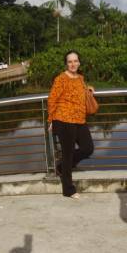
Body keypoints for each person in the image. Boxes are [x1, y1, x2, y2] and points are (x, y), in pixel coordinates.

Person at [47, 50, 95, 199]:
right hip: (64, 120)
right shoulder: (61, 79)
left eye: (75, 61)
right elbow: (52, 99)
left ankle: (62, 167)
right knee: (68, 154)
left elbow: (80, 91)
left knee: (88, 148)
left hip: (80, 119)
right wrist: (50, 120)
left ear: (79, 62)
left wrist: (89, 89)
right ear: (66, 64)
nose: (73, 64)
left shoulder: (80, 78)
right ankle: (68, 189)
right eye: (70, 61)